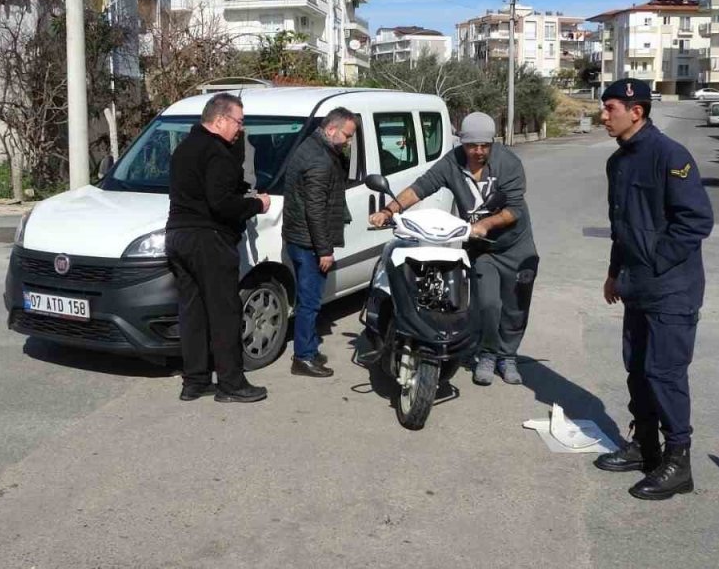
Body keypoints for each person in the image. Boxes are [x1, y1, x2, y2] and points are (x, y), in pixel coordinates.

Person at [592, 78, 714, 501]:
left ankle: (678, 463)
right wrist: (615, 272)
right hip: (637, 286)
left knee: (664, 374)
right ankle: (646, 447)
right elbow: (621, 226)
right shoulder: (619, 162)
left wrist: (654, 263)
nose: (603, 116)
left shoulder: (670, 156)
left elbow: (695, 221)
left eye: (610, 108)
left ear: (636, 111)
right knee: (638, 369)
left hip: (671, 288)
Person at [367, 112, 538, 386]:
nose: (478, 151)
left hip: (515, 246)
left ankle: (509, 357)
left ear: (492, 143)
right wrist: (389, 211)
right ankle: (487, 354)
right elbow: (421, 187)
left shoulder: (509, 163)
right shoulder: (452, 163)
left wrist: (486, 223)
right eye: (472, 146)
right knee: (488, 304)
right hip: (482, 249)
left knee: (516, 307)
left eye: (485, 145)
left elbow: (514, 209)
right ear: (462, 142)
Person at [166, 93, 271, 403]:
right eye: (238, 122)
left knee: (193, 312)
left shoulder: (183, 149)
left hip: (179, 237)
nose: (240, 129)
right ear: (220, 119)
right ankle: (231, 384)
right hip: (208, 239)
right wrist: (256, 203)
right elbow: (222, 204)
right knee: (225, 312)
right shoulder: (217, 152)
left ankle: (195, 381)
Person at [281, 107, 358, 379]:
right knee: (310, 302)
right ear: (331, 129)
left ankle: (309, 348)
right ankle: (303, 357)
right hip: (309, 243)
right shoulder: (319, 160)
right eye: (347, 136)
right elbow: (315, 210)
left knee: (309, 299)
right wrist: (324, 250)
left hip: (299, 237)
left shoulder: (312, 147)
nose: (348, 142)